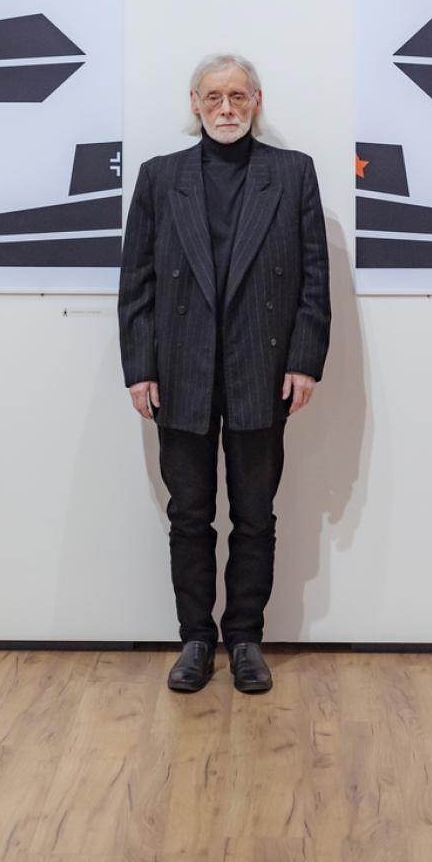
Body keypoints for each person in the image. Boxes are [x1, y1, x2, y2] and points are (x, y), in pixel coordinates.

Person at [118, 53, 331, 694]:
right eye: (213, 96)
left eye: (238, 95)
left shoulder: (292, 174)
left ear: (257, 101)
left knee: (255, 515)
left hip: (260, 367)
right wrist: (140, 368)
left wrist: (304, 360)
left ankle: (244, 639)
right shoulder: (161, 178)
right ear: (195, 104)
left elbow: (314, 278)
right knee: (189, 515)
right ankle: (195, 639)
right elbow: (137, 283)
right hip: (180, 370)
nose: (226, 107)